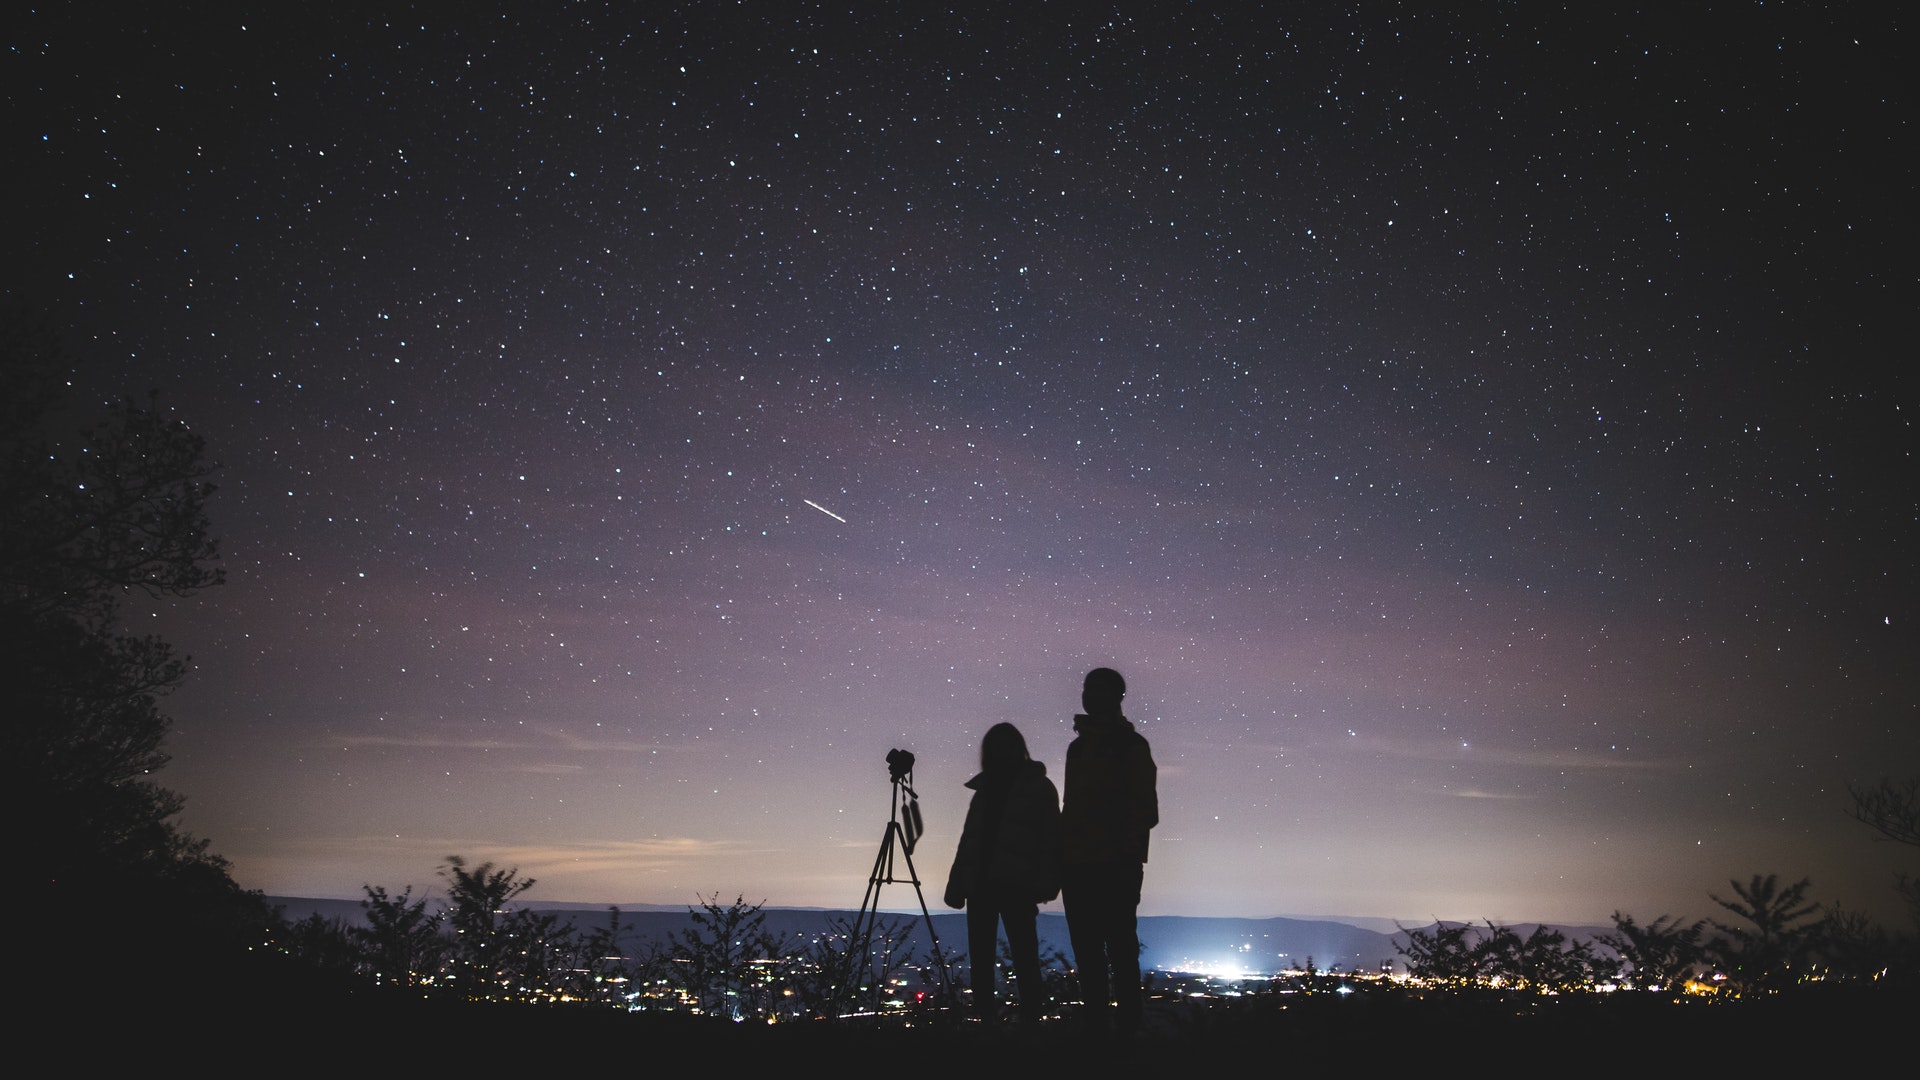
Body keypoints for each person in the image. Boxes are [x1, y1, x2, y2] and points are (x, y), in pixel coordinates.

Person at [1060, 667, 1157, 1034]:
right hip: (1080, 864)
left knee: (1118, 950)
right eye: (1087, 689)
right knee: (1090, 953)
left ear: (1118, 696)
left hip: (1114, 864)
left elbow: (1145, 809)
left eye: (1098, 690)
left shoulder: (1130, 747)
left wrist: (1122, 850)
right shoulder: (1080, 747)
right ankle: (1100, 1032)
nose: (1089, 696)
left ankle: (1126, 1033)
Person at [944, 722, 1061, 1021]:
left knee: (1023, 957)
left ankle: (1029, 1024)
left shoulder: (1036, 788)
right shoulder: (985, 790)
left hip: (1016, 885)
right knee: (985, 960)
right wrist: (958, 884)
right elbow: (969, 841)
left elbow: (1051, 838)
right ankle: (989, 1024)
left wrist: (1046, 882)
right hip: (983, 885)